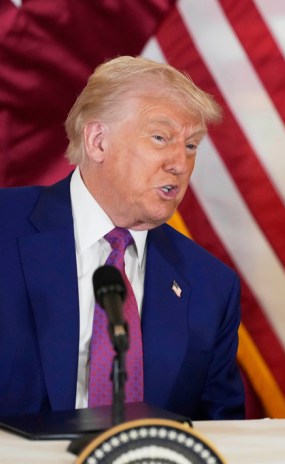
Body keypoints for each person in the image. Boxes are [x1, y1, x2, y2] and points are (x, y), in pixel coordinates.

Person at [0, 56, 245, 420]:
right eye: (160, 138)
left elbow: (221, 432)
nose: (179, 164)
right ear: (98, 142)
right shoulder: (6, 227)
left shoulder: (210, 286)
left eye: (191, 146)